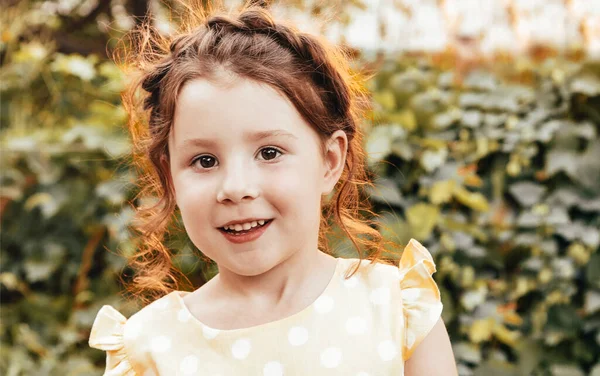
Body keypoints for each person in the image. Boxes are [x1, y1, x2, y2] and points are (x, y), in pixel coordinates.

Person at [89, 3, 457, 375]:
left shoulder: (395, 310)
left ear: (330, 161)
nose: (235, 188)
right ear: (170, 178)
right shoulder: (148, 348)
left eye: (269, 152)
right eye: (204, 161)